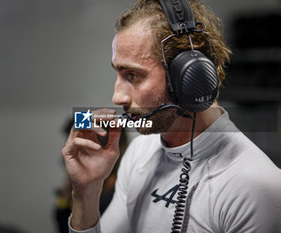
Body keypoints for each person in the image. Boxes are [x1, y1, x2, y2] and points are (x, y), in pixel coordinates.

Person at [61, 0, 281, 232]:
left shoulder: (257, 187)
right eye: (118, 73)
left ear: (189, 78)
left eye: (133, 75)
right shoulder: (139, 152)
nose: (117, 98)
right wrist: (86, 191)